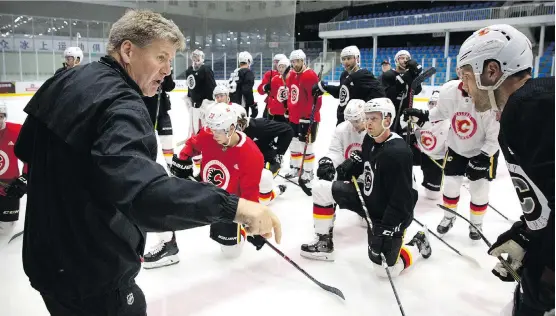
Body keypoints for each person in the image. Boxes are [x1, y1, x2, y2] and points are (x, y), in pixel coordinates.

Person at [14, 10, 281, 315]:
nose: (168, 69)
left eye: (171, 60)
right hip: (94, 273)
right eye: (161, 57)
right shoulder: (122, 103)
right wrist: (235, 207)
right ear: (127, 51)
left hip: (46, 262)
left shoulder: (66, 79)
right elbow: (145, 196)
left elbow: (26, 148)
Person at [456, 24, 554, 316]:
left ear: (492, 71)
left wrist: (548, 270)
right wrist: (527, 233)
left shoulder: (528, 108)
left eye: (466, 76)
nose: (463, 86)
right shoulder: (538, 100)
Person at [300, 97, 431, 278]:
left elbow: (403, 200)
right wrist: (351, 165)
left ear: (387, 119)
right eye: (367, 118)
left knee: (385, 271)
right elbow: (367, 159)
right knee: (322, 189)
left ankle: (417, 242)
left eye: (374, 118)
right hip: (369, 196)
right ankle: (324, 243)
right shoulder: (371, 139)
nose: (368, 123)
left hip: (389, 213)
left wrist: (386, 227)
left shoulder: (397, 153)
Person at [404, 77, 500, 240]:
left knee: (479, 190)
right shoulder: (449, 90)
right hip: (457, 148)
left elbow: (495, 136)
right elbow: (441, 112)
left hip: (481, 152)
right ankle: (449, 216)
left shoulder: (491, 98)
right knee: (450, 186)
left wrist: (484, 157)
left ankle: (476, 223)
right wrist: (423, 115)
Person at [173, 103, 269, 259]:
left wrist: (251, 222)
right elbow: (193, 144)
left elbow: (249, 194)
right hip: (206, 188)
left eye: (217, 129)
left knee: (231, 252)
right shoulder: (209, 133)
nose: (213, 133)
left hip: (228, 203)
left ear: (231, 128)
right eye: (211, 128)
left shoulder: (251, 155)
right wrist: (183, 159)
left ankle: (269, 190)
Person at [313, 45, 385, 125]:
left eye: (349, 58)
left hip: (356, 122)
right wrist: (325, 87)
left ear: (357, 58)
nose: (346, 61)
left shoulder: (363, 75)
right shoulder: (344, 75)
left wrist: (365, 109)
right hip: (342, 119)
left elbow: (380, 93)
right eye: (343, 59)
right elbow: (342, 93)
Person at [284, 49, 322, 184]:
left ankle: (308, 171)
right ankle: (295, 167)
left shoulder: (310, 75)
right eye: (293, 61)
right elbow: (291, 94)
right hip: (294, 117)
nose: (295, 64)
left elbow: (317, 99)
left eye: (298, 61)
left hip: (307, 117)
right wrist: (288, 109)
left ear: (303, 61)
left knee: (307, 145)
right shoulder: (292, 75)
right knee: (294, 143)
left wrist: (311, 114)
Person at [411, 90, 449, 200]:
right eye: (431, 103)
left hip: (436, 158)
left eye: (436, 104)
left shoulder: (448, 122)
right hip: (421, 153)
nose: (433, 106)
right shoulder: (420, 118)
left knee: (432, 195)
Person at [0, 103, 28, 249]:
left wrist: (25, 178)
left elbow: (30, 156)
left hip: (8, 187)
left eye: (0, 116)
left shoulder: (16, 130)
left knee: (6, 230)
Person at [381, 50, 423, 133]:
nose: (405, 60)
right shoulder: (388, 74)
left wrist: (416, 76)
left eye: (407, 58)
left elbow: (417, 91)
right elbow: (390, 94)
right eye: (402, 58)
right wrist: (406, 76)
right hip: (391, 114)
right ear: (396, 60)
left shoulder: (410, 75)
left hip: (406, 114)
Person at [184, 49, 217, 137]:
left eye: (197, 58)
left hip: (204, 106)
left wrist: (211, 101)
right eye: (194, 58)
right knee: (196, 129)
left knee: (204, 129)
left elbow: (212, 87)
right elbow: (190, 87)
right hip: (196, 106)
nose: (196, 61)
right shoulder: (190, 71)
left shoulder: (204, 69)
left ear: (202, 58)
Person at [229, 51, 257, 118]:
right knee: (242, 125)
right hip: (241, 105)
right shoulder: (247, 72)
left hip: (232, 103)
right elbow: (247, 91)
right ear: (248, 61)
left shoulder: (235, 72)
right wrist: (252, 105)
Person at [258, 53, 287, 118]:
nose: (275, 64)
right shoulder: (269, 74)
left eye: (277, 62)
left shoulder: (289, 74)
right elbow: (260, 90)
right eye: (274, 62)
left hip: (284, 105)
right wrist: (265, 87)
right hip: (271, 104)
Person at [265, 57, 291, 123]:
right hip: (277, 112)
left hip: (289, 113)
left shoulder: (293, 79)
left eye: (283, 67)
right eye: (280, 67)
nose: (281, 69)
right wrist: (270, 109)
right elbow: (271, 96)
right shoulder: (275, 79)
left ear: (288, 67)